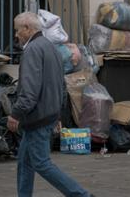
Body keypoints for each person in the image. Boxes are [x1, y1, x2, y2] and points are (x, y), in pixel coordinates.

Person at [7, 12, 92, 197]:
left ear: (27, 29)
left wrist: (16, 113)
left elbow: (29, 92)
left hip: (37, 117)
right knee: (25, 162)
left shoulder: (32, 50)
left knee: (41, 163)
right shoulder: (50, 47)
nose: (16, 35)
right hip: (47, 114)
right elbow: (61, 85)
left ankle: (81, 195)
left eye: (17, 30)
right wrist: (57, 114)